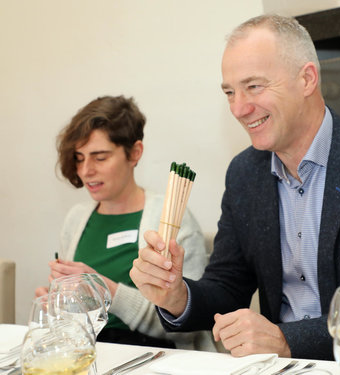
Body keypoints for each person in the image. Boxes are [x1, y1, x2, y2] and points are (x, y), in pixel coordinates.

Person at [129, 15, 340, 371]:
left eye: (254, 87)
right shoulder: (245, 174)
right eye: (230, 92)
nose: (238, 108)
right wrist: (177, 296)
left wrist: (288, 339)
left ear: (307, 78)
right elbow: (228, 285)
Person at [35, 95, 215, 351]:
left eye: (100, 157)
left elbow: (188, 328)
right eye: (79, 158)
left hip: (155, 357)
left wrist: (106, 290)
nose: (86, 170)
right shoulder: (76, 218)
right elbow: (80, 316)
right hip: (89, 353)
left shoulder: (171, 218)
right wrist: (58, 306)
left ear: (135, 153)